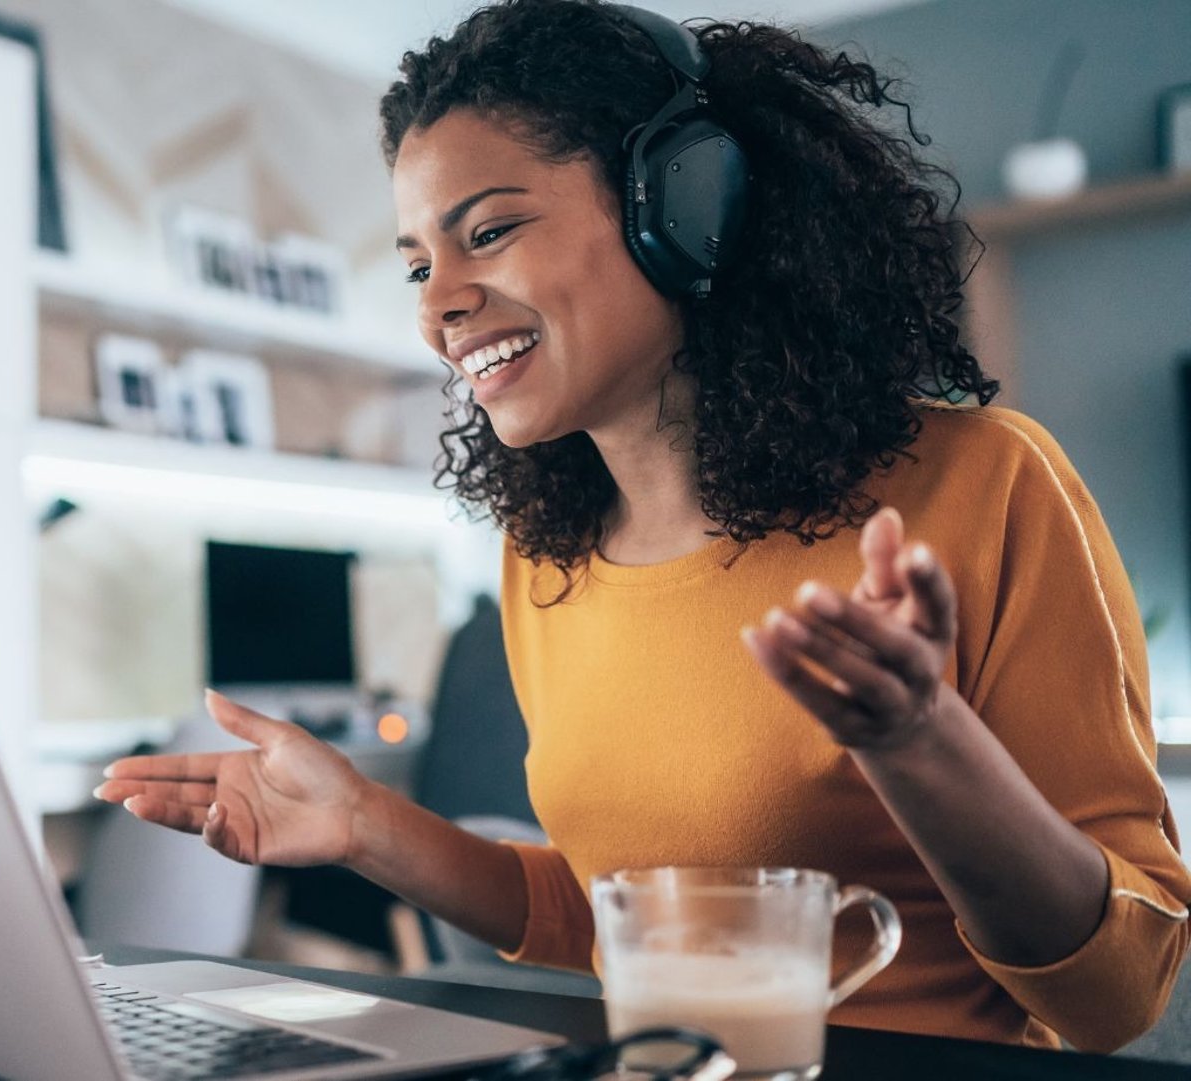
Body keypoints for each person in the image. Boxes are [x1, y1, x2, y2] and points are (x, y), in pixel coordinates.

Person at [96, 0, 1190, 1054]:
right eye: (421, 264)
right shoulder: (546, 555)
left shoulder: (984, 483)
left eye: (491, 231)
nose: (438, 304)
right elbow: (612, 920)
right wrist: (366, 825)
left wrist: (922, 743)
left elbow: (1120, 991)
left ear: (682, 204)